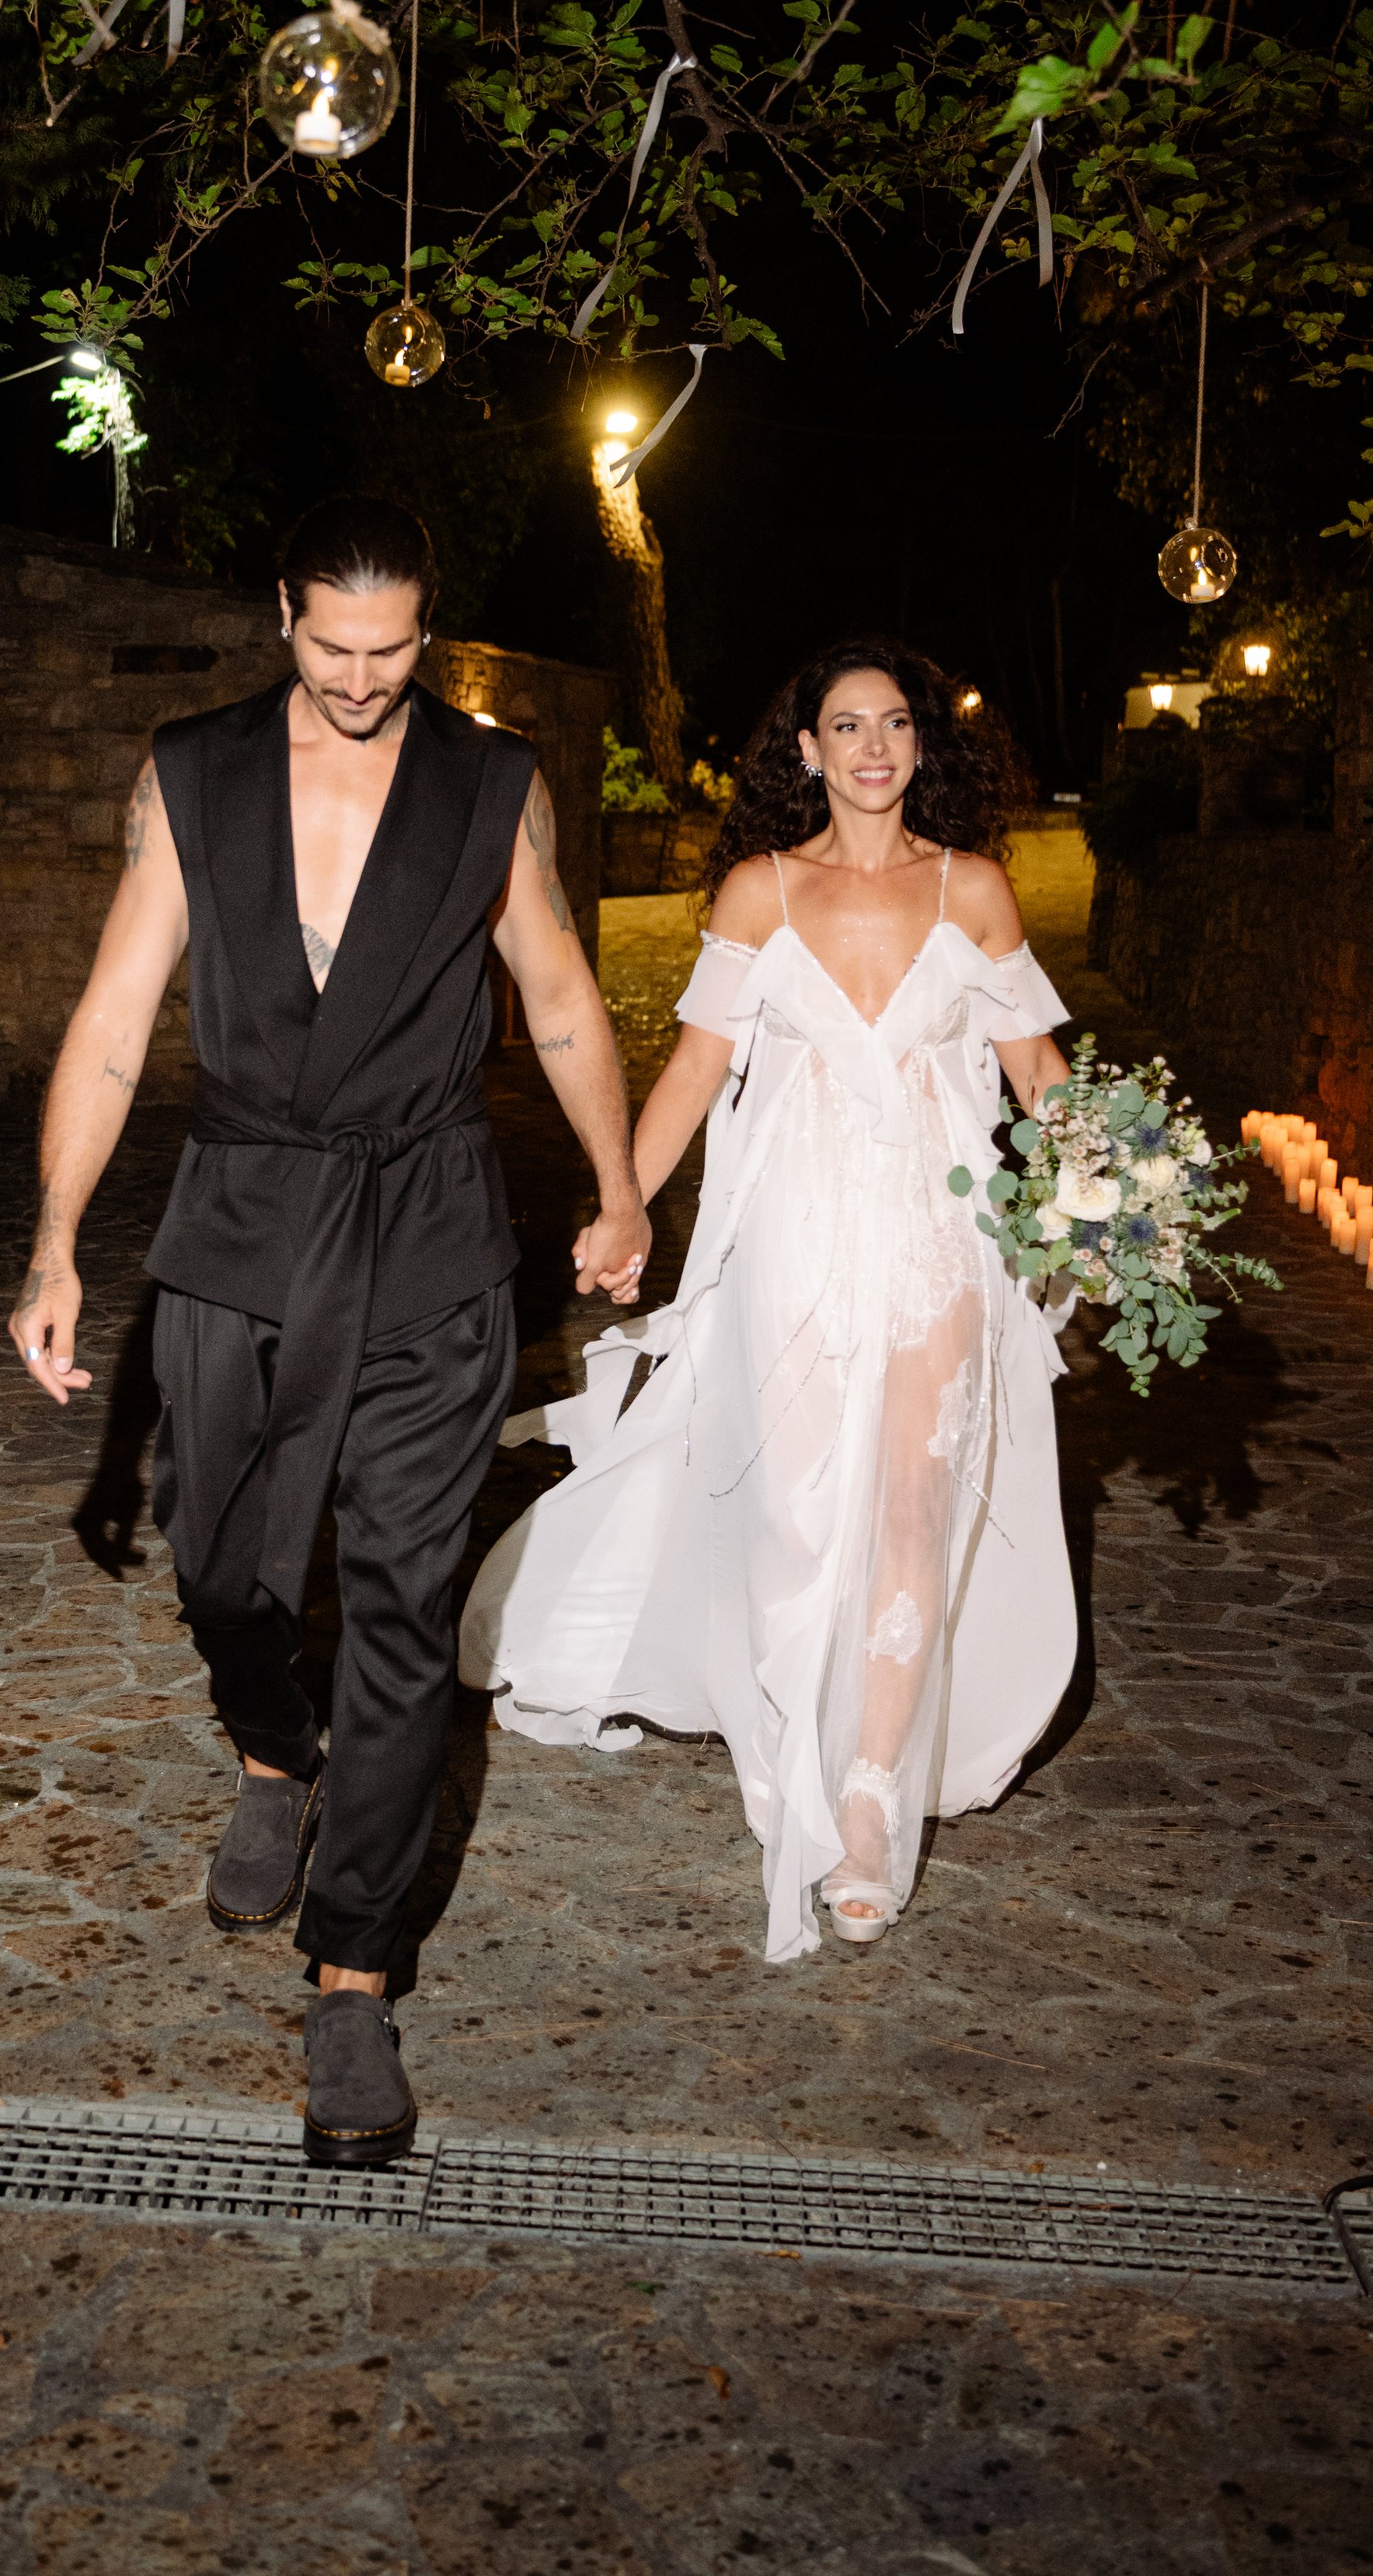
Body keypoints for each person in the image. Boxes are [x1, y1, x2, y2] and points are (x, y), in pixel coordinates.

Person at [9, 496, 650, 2160]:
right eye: (330, 647)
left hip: (428, 1233)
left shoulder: (489, 786)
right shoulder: (193, 776)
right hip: (239, 1222)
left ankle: (354, 1973)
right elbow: (107, 1024)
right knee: (220, 1563)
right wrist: (56, 1242)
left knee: (399, 1605)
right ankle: (269, 1752)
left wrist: (619, 1186)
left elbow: (563, 995)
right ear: (279, 608)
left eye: (393, 651)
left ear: (422, 630)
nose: (362, 682)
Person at [460, 641, 1079, 1963]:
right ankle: (792, 1742)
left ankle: (865, 1817)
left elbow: (1040, 1073)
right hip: (791, 1238)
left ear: (921, 746)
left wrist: (1128, 1186)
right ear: (805, 750)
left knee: (914, 1516)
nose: (871, 745)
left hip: (939, 1240)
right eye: (844, 724)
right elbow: (696, 1066)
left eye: (894, 723)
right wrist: (627, 1200)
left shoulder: (976, 891)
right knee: (799, 1517)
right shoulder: (760, 892)